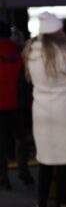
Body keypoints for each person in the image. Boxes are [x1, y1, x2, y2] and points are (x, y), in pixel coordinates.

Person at [23, 12, 66, 207]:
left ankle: (41, 206)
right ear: (56, 31)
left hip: (41, 109)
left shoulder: (31, 51)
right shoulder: (61, 51)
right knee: (64, 160)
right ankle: (61, 205)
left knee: (46, 159)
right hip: (63, 110)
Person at [0, 20, 34, 189]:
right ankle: (24, 172)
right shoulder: (19, 52)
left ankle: (3, 179)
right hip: (18, 103)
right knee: (21, 139)